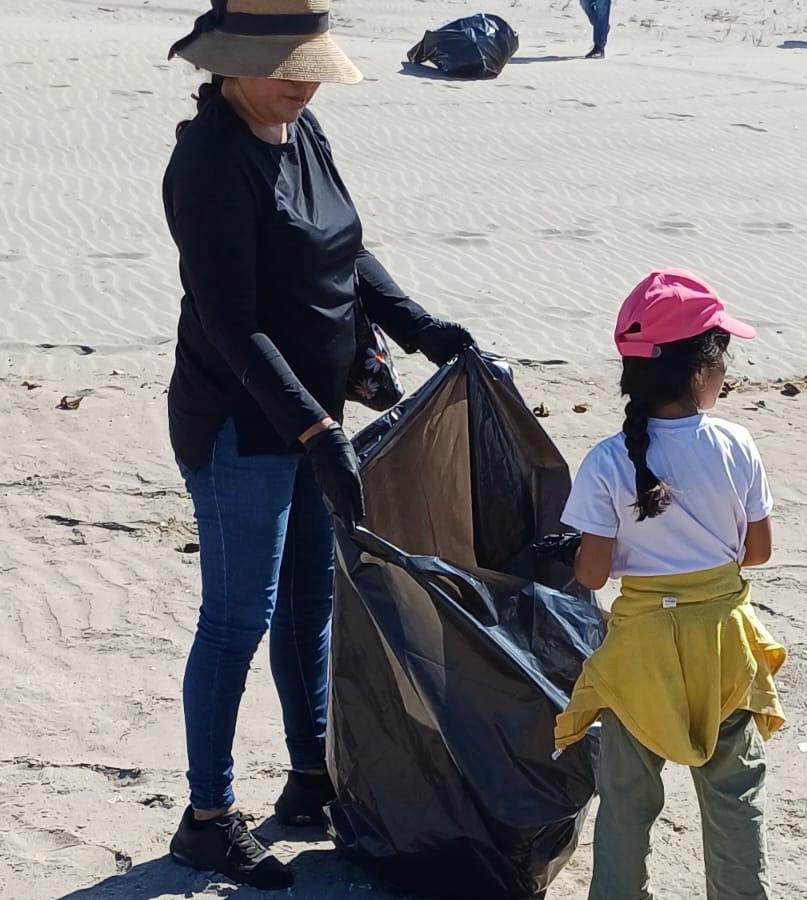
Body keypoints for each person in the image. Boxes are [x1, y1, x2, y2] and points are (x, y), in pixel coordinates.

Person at [162, 0, 475, 890]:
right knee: (237, 619)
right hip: (241, 426)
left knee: (311, 607)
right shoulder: (210, 162)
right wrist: (314, 427)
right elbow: (231, 322)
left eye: (312, 68)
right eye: (291, 68)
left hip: (312, 420)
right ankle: (207, 818)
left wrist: (416, 325)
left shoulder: (301, 131)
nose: (306, 84)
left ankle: (311, 779)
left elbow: (347, 251)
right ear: (230, 65)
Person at [553, 270, 787, 899]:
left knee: (627, 800)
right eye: (722, 358)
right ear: (697, 371)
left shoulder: (606, 459)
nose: (726, 374)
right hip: (722, 644)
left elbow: (593, 574)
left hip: (641, 649)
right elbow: (757, 553)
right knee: (735, 797)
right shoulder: (736, 444)